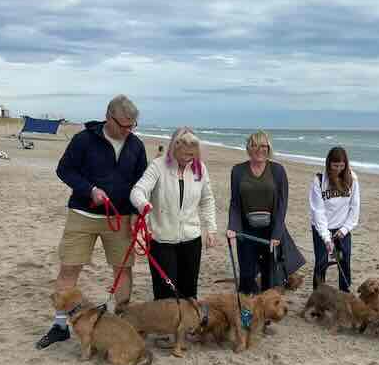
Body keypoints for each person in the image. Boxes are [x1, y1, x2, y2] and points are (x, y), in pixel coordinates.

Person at [37, 95, 147, 349]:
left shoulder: (136, 145)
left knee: (123, 269)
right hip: (82, 215)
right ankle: (60, 325)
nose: (128, 131)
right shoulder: (83, 139)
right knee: (69, 268)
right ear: (108, 117)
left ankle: (121, 319)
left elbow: (141, 183)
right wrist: (90, 190)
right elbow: (64, 170)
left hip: (119, 218)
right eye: (123, 125)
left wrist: (135, 214)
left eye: (132, 126)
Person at [130, 127, 217, 301]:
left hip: (191, 240)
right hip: (161, 240)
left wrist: (211, 228)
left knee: (189, 292)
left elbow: (207, 199)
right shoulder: (158, 166)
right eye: (184, 155)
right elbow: (137, 191)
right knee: (165, 294)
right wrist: (143, 204)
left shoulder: (200, 168)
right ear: (174, 149)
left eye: (191, 156)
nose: (187, 159)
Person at [226, 131, 305, 293]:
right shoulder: (238, 171)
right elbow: (234, 203)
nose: (259, 149)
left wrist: (277, 234)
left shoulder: (278, 170)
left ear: (268, 148)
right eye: (255, 145)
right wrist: (232, 226)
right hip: (246, 231)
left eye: (263, 146)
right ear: (249, 148)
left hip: (270, 232)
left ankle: (265, 317)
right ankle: (247, 315)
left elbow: (282, 205)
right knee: (247, 277)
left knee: (270, 277)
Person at [309, 146, 361, 292]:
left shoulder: (352, 178)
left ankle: (345, 294)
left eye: (341, 165)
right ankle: (318, 294)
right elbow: (318, 211)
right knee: (321, 262)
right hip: (322, 228)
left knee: (343, 262)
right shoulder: (319, 181)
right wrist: (326, 238)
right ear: (329, 164)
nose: (338, 169)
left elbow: (354, 207)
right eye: (335, 165)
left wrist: (344, 230)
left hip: (342, 229)